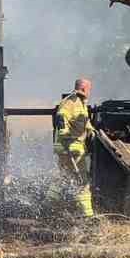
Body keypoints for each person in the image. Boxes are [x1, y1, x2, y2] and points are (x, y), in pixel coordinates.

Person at [52, 78, 95, 218]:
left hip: (69, 147)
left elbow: (83, 121)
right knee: (82, 181)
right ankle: (88, 216)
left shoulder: (80, 102)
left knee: (63, 177)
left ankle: (50, 204)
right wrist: (66, 137)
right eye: (89, 89)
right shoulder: (72, 101)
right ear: (83, 88)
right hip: (71, 147)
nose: (90, 92)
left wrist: (91, 130)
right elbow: (61, 117)